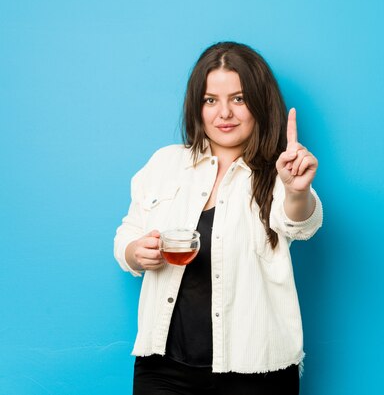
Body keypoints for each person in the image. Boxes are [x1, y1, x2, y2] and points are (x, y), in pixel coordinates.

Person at [113, 41, 323, 395]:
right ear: (198, 106)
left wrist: (297, 191)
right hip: (164, 367)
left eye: (238, 99)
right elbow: (127, 235)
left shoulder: (278, 171)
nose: (224, 112)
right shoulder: (165, 164)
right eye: (211, 100)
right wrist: (136, 252)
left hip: (256, 369)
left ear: (259, 103)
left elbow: (300, 225)